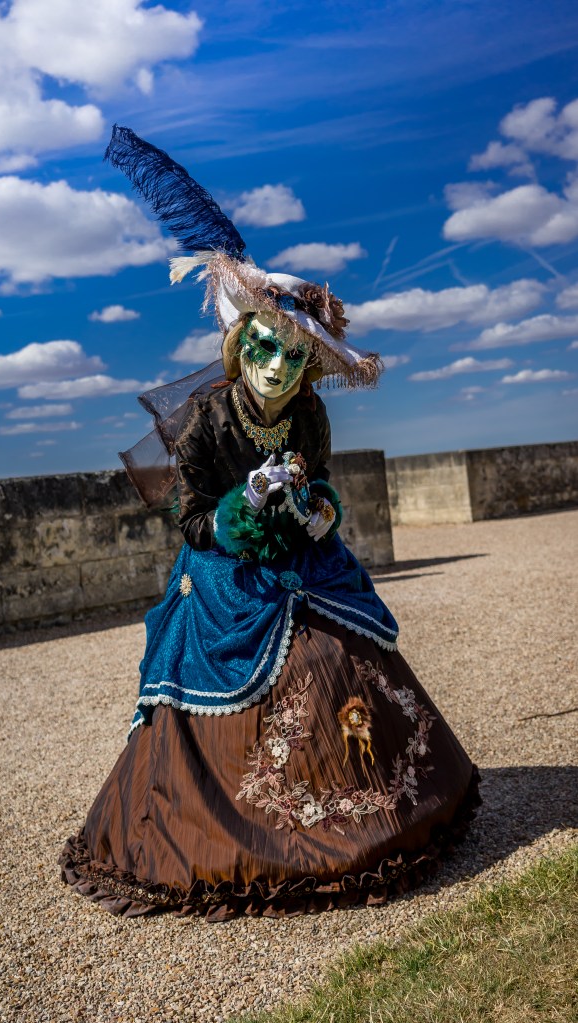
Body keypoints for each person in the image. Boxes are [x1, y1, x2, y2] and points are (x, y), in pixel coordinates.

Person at [59, 128, 480, 919]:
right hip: (228, 573)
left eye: (293, 357)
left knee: (342, 654)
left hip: (301, 559)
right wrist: (237, 509)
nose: (278, 366)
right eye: (264, 348)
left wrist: (317, 510)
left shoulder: (311, 415)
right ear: (239, 346)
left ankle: (368, 811)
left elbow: (320, 483)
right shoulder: (207, 422)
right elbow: (189, 516)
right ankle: (250, 828)